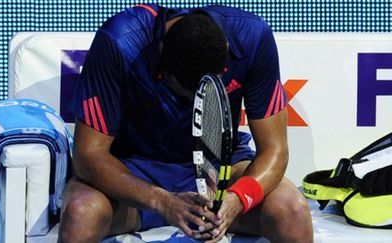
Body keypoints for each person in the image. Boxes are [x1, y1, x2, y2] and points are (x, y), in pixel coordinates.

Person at [58, 4, 313, 243]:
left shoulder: (253, 39)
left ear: (223, 64)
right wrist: (162, 201)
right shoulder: (121, 41)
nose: (195, 103)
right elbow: (88, 156)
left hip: (219, 170)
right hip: (135, 174)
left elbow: (275, 151)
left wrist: (237, 198)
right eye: (185, 94)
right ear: (163, 66)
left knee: (292, 210)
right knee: (82, 212)